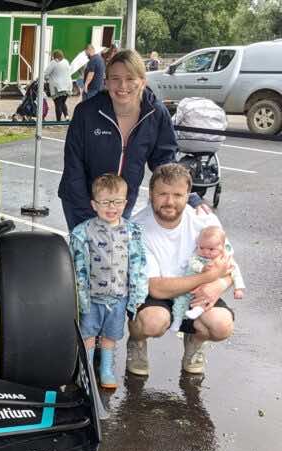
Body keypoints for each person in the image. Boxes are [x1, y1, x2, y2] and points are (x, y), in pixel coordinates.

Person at [127, 163, 235, 377]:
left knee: (221, 326)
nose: (169, 202)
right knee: (152, 322)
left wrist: (218, 284)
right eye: (163, 194)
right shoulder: (137, 228)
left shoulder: (204, 221)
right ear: (151, 194)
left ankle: (196, 341)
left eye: (177, 194)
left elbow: (230, 267)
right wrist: (209, 276)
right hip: (156, 294)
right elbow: (156, 288)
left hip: (194, 293)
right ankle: (137, 341)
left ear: (188, 194)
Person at [58, 49, 178, 231]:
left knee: (116, 255)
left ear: (142, 82)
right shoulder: (86, 112)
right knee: (85, 256)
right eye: (115, 78)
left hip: (122, 204)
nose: (122, 86)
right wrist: (89, 211)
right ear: (106, 82)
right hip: (81, 202)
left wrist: (186, 194)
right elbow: (74, 165)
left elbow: (164, 161)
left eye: (130, 78)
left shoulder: (156, 113)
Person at [69, 173, 148, 389]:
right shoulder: (82, 233)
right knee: (88, 333)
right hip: (91, 297)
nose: (111, 207)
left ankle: (105, 369)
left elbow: (139, 264)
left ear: (126, 202)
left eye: (117, 202)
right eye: (105, 202)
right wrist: (77, 294)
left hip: (119, 297)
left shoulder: (132, 232)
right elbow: (76, 267)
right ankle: (84, 371)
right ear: (94, 204)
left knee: (110, 336)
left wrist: (139, 294)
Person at [170, 225, 245, 332]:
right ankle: (177, 320)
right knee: (180, 301)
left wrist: (239, 288)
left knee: (205, 299)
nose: (205, 252)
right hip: (189, 286)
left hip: (207, 289)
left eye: (211, 249)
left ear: (222, 247)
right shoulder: (197, 256)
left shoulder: (224, 260)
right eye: (201, 248)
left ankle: (197, 310)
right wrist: (202, 268)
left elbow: (235, 272)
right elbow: (192, 263)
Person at [44, 49, 73, 121]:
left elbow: (46, 73)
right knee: (63, 102)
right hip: (67, 86)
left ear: (55, 56)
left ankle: (58, 120)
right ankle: (67, 117)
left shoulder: (53, 62)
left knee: (58, 104)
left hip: (58, 87)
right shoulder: (66, 61)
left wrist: (41, 78)